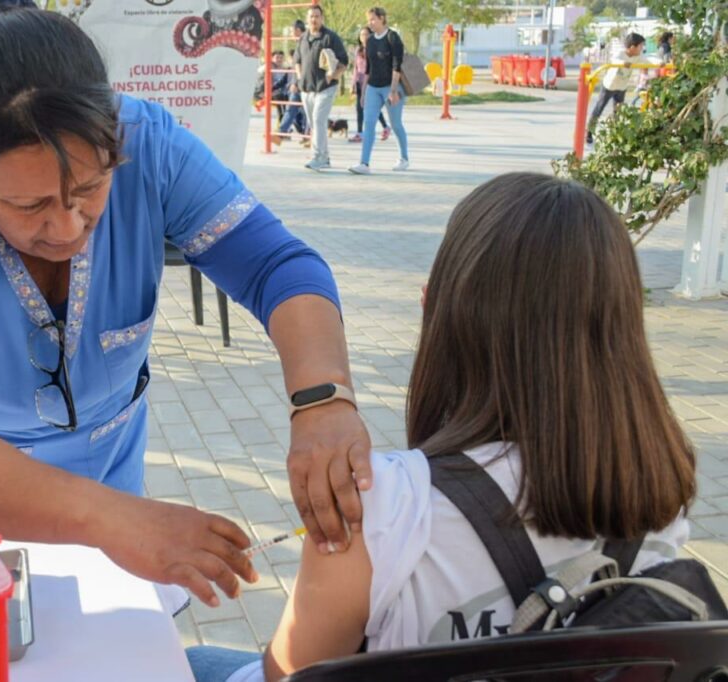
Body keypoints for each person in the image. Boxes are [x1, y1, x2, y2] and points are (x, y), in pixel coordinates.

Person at [0, 1, 371, 610]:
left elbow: (278, 267)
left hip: (106, 472)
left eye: (92, 187)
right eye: (28, 206)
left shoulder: (149, 144)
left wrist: (322, 400)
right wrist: (112, 520)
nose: (68, 227)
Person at [185, 172, 696, 681]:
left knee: (193, 662)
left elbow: (288, 675)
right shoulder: (661, 487)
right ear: (623, 327)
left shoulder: (382, 506)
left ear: (437, 310)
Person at [349, 7, 408, 175]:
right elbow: (368, 69)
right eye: (368, 20)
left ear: (382, 18)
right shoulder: (370, 41)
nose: (370, 23)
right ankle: (364, 163)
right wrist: (364, 91)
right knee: (368, 123)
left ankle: (404, 158)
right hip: (373, 87)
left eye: (373, 19)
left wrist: (394, 90)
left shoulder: (393, 37)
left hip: (391, 86)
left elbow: (397, 66)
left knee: (396, 124)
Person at [293, 5, 348, 170]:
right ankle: (324, 157)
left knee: (318, 120)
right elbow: (297, 60)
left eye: (317, 16)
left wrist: (333, 76)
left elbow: (344, 62)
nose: (314, 19)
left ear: (322, 18)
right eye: (311, 16)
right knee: (315, 123)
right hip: (306, 88)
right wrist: (299, 77)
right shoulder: (303, 38)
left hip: (325, 88)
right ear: (307, 19)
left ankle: (317, 157)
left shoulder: (331, 37)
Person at [586, 32, 655, 144]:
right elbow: (615, 60)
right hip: (609, 86)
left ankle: (615, 134)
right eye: (641, 46)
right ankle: (589, 132)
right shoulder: (620, 53)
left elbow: (648, 61)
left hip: (622, 87)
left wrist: (661, 63)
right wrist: (624, 63)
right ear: (632, 47)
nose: (642, 48)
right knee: (599, 108)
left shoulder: (638, 57)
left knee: (618, 112)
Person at [349, 26, 389, 144]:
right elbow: (356, 68)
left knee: (370, 107)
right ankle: (360, 133)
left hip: (370, 82)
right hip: (359, 82)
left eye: (366, 34)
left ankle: (385, 127)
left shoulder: (374, 49)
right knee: (359, 108)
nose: (364, 37)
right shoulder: (358, 50)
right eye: (362, 35)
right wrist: (353, 83)